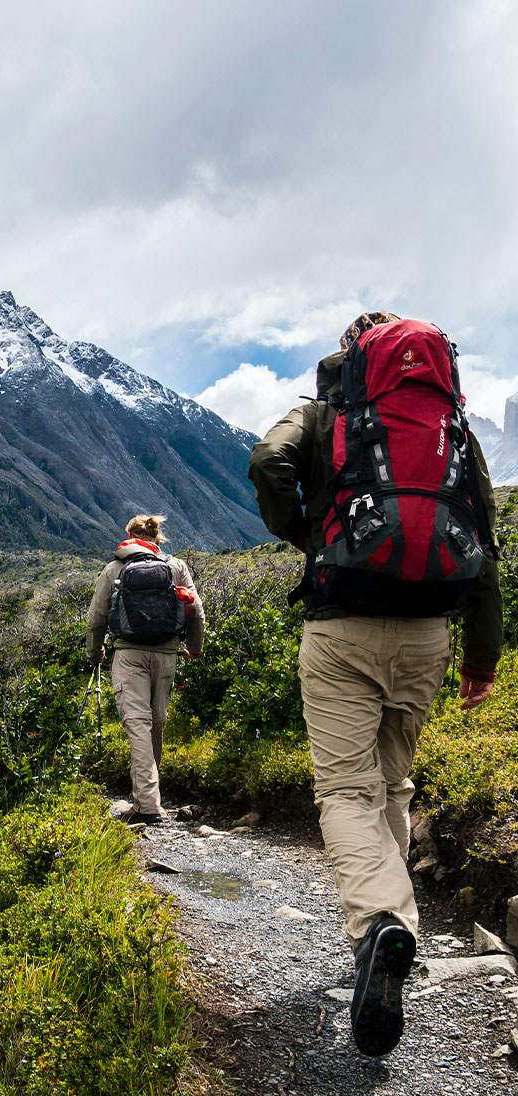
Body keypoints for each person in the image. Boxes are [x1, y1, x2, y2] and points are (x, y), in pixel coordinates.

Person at [248, 312, 503, 1058]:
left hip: (341, 626)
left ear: (353, 354)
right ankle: (393, 927)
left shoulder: (328, 412)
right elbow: (483, 537)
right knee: (393, 785)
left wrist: (304, 533)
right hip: (428, 632)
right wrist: (483, 660)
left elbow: (268, 461)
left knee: (345, 792)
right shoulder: (451, 427)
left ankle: (379, 927)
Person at [86, 514, 205, 824]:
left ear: (129, 536)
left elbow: (96, 619)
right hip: (166, 655)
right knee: (156, 723)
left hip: (129, 655)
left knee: (138, 725)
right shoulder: (175, 567)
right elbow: (197, 611)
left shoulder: (114, 568)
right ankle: (149, 798)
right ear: (157, 538)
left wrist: (96, 653)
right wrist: (194, 648)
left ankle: (148, 806)